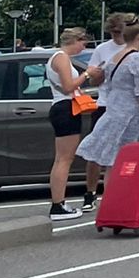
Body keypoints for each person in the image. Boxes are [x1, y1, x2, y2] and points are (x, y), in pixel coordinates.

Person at [76, 15, 139, 186]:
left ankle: (110, 196)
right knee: (128, 158)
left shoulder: (117, 56)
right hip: (130, 112)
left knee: (113, 160)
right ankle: (123, 195)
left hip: (114, 109)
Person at [45, 26, 96, 217]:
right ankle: (58, 204)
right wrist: (87, 74)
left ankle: (59, 203)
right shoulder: (61, 58)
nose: (83, 48)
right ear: (75, 40)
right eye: (83, 43)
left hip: (62, 107)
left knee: (62, 158)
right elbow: (68, 86)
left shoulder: (57, 57)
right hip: (66, 107)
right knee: (64, 159)